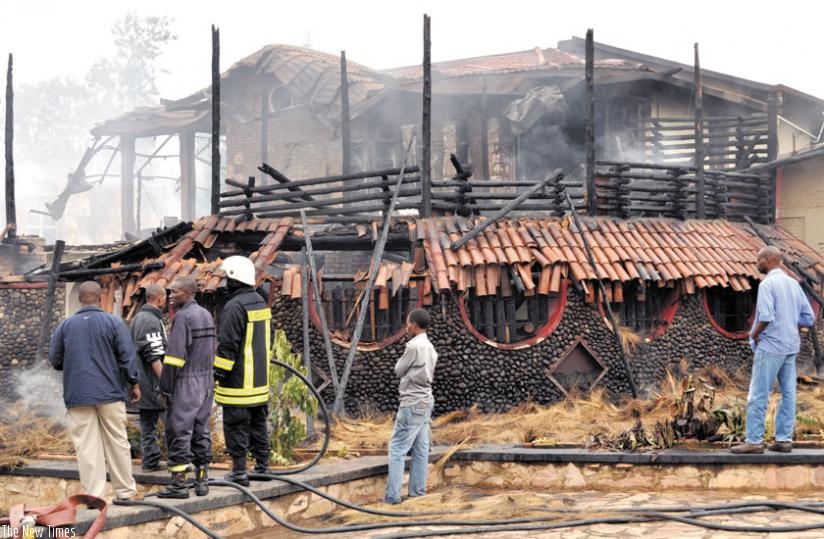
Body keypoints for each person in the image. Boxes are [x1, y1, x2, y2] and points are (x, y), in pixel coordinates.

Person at [48, 280, 140, 500]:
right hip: (110, 393)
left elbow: (55, 360)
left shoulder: (65, 326)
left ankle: (94, 497)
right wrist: (134, 383)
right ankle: (125, 493)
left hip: (78, 394)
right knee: (117, 441)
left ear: (80, 298)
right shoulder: (114, 323)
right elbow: (127, 356)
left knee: (87, 446)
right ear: (100, 297)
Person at [731, 246, 815, 454]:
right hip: (790, 346)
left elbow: (766, 317)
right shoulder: (794, 284)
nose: (756, 263)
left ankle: (754, 441)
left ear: (769, 259)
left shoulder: (767, 284)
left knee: (758, 393)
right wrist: (789, 326)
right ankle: (783, 440)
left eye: (758, 259)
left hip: (771, 346)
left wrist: (754, 334)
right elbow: (809, 318)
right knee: (789, 393)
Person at [214, 256, 272, 486]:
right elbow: (269, 338)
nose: (225, 282)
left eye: (227, 277)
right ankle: (262, 467)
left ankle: (239, 471)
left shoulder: (233, 307)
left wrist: (218, 374)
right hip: (259, 381)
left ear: (234, 279)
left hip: (238, 383)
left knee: (236, 425)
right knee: (258, 424)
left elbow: (228, 345)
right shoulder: (260, 302)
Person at [157, 277, 216, 498]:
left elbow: (174, 359)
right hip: (206, 381)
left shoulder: (182, 317)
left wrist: (165, 389)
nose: (171, 296)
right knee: (201, 430)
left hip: (187, 381)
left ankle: (179, 485)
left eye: (175, 292)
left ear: (189, 293)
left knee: (179, 431)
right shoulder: (206, 314)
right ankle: (202, 481)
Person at [384, 308, 438, 504]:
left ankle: (392, 496)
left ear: (414, 325)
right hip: (426, 400)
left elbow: (399, 370)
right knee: (421, 450)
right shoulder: (431, 347)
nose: (406, 327)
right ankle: (417, 493)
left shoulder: (413, 346)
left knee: (397, 448)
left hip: (412, 402)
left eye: (408, 323)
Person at [130, 283, 168, 472]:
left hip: (143, 382)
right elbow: (153, 356)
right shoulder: (150, 321)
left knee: (147, 426)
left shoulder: (139, 318)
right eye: (165, 298)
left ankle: (150, 462)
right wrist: (166, 383)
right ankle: (176, 463)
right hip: (154, 384)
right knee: (171, 423)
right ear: (159, 298)